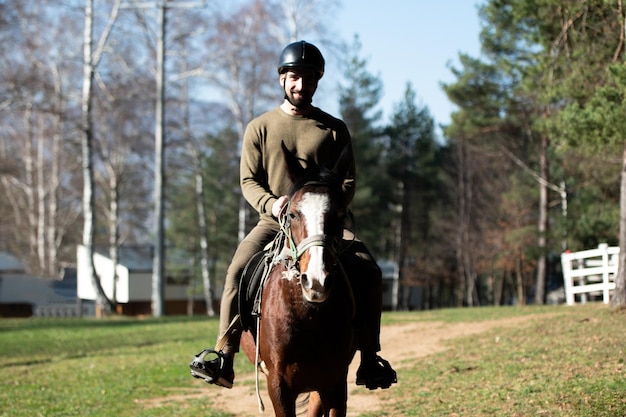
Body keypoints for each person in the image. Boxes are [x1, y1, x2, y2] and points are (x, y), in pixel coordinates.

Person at [190, 40, 397, 390]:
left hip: (323, 226)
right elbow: (248, 180)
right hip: (274, 222)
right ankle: (224, 355)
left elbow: (348, 180)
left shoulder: (333, 129)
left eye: (309, 78)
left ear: (317, 82)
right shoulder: (260, 127)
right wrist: (273, 204)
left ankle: (369, 357)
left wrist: (327, 207)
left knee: (369, 270)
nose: (301, 85)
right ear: (283, 79)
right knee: (237, 270)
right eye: (294, 78)